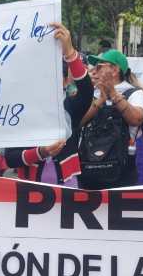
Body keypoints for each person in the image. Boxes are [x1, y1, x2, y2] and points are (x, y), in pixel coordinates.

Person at [5, 23, 93, 186]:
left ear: (65, 81)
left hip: (67, 190)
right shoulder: (20, 111)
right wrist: (41, 152)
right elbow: (10, 158)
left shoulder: (70, 107)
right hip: (29, 191)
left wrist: (70, 53)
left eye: (54, 76)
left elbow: (87, 90)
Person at [78, 49, 143, 189]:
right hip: (89, 166)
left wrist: (113, 93)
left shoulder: (135, 93)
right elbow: (77, 123)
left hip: (121, 169)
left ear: (115, 70)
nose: (94, 71)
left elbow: (136, 119)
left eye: (99, 67)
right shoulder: (92, 93)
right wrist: (100, 100)